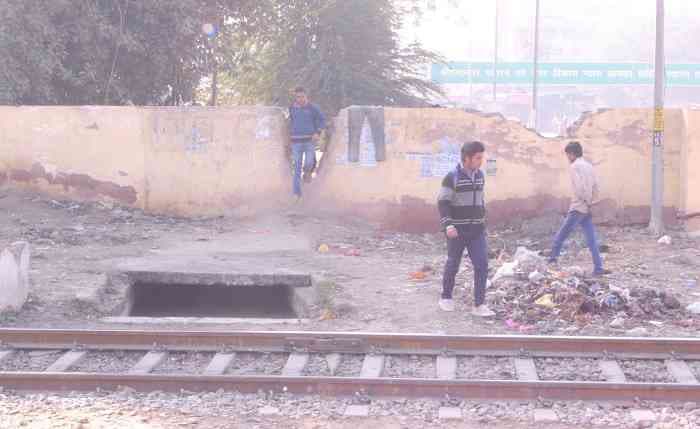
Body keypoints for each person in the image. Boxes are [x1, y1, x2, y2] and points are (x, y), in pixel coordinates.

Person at [438, 141, 494, 317]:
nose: (481, 161)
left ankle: (479, 305)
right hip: (457, 230)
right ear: (467, 158)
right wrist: (448, 225)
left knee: (482, 265)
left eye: (481, 157)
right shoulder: (451, 177)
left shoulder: (480, 176)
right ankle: (446, 298)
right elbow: (443, 202)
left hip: (476, 230)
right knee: (453, 263)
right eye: (478, 158)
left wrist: (482, 219)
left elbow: (481, 200)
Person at [548, 141, 611, 276]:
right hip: (587, 207)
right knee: (591, 239)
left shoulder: (575, 167)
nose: (567, 158)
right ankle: (598, 268)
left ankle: (552, 260)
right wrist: (591, 202)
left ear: (572, 154)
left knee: (562, 234)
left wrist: (585, 200)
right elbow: (596, 187)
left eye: (567, 155)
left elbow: (578, 188)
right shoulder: (589, 166)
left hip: (578, 206)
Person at [288, 87, 325, 199]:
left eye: (302, 96)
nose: (300, 99)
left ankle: (307, 173)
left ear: (306, 96)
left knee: (309, 162)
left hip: (309, 140)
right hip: (295, 141)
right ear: (295, 97)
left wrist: (317, 132)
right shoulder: (291, 108)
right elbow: (288, 122)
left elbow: (321, 120)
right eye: (298, 97)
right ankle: (296, 193)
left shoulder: (313, 108)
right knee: (297, 167)